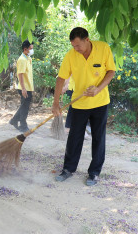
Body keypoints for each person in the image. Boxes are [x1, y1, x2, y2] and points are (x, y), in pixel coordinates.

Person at [52, 27, 116, 186]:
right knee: (74, 137)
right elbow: (61, 78)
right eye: (73, 46)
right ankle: (68, 169)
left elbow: (111, 72)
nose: (76, 49)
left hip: (100, 102)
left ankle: (94, 173)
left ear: (87, 40)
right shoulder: (71, 56)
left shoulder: (103, 48)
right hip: (79, 103)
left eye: (78, 45)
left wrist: (98, 89)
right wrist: (56, 103)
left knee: (98, 138)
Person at [9, 40, 34, 132]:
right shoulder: (22, 59)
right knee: (24, 108)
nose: (32, 50)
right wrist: (23, 88)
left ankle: (14, 120)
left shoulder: (28, 58)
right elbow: (20, 74)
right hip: (24, 88)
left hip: (28, 87)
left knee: (24, 106)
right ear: (25, 49)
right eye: (30, 49)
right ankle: (23, 126)